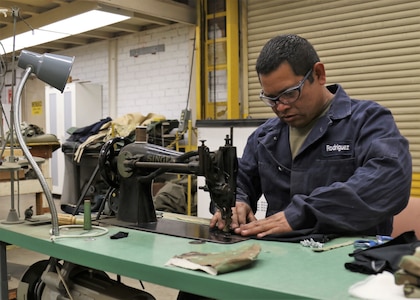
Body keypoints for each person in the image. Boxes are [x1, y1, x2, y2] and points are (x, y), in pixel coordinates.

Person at [210, 34, 412, 239]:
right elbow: (239, 179)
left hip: (350, 260)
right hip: (278, 257)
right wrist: (236, 202)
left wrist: (303, 214)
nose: (280, 107)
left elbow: (389, 180)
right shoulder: (265, 137)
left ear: (319, 74)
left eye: (289, 93)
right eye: (271, 99)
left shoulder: (368, 121)